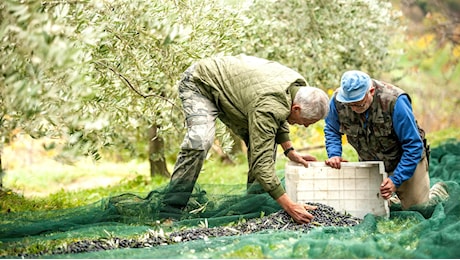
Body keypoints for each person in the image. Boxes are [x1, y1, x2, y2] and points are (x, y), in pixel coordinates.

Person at [160, 54, 330, 224]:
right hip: (200, 83)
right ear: (297, 108)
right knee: (200, 141)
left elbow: (279, 114)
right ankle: (170, 210)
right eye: (307, 122)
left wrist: (289, 150)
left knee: (265, 145)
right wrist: (290, 206)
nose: (306, 126)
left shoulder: (299, 88)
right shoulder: (268, 105)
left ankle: (254, 208)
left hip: (241, 95)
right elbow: (261, 163)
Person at [324, 70, 431, 210]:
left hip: (404, 160)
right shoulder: (338, 100)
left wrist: (396, 179)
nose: (355, 109)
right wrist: (334, 154)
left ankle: (436, 192)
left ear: (371, 91)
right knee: (368, 209)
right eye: (350, 105)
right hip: (371, 162)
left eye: (359, 104)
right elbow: (332, 129)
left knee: (419, 209)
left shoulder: (395, 101)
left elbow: (413, 145)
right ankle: (392, 199)